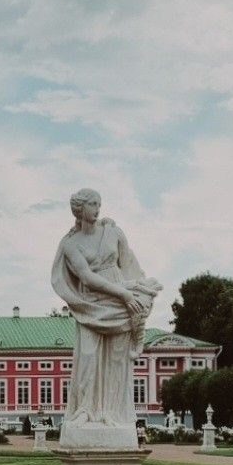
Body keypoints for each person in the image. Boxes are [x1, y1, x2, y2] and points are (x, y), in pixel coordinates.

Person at [51, 188, 162, 441]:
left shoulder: (113, 231)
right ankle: (84, 410)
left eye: (99, 203)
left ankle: (112, 412)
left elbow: (130, 264)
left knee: (117, 360)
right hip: (92, 304)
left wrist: (139, 293)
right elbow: (87, 278)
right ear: (79, 209)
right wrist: (124, 294)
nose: (98, 208)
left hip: (122, 298)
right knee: (88, 357)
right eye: (92, 204)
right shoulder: (71, 244)